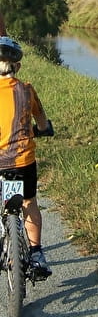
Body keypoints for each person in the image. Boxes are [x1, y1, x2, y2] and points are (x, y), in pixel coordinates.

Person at [0, 36, 53, 278]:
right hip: (22, 162)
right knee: (29, 203)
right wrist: (42, 129)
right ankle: (36, 252)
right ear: (17, 67)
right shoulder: (27, 90)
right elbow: (41, 123)